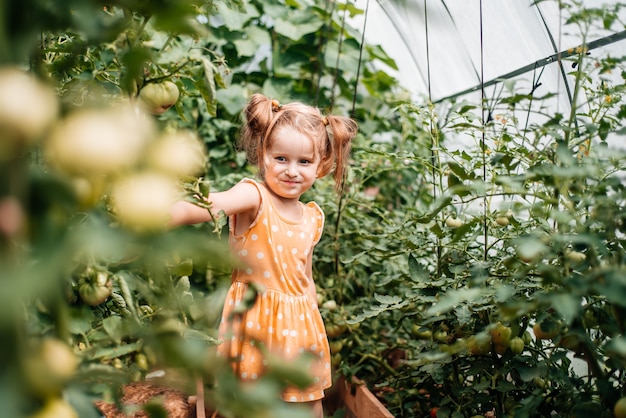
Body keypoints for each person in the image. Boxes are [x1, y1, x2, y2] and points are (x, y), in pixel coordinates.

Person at [169, 93, 358, 418]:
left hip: (301, 326)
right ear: (262, 155)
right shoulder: (254, 196)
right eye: (281, 158)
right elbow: (207, 206)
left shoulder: (312, 217)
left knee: (309, 403)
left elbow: (306, 278)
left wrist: (312, 324)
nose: (292, 171)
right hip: (256, 323)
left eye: (304, 162)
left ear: (321, 165)